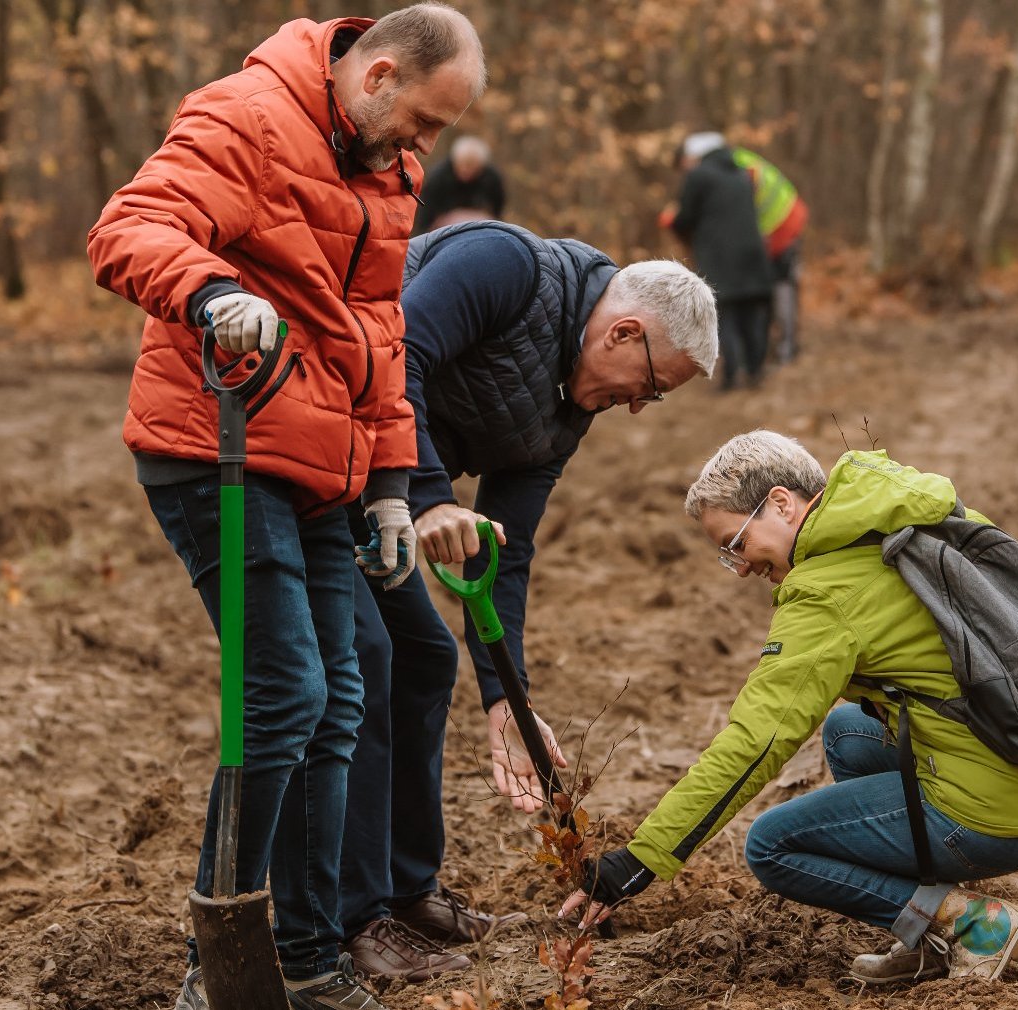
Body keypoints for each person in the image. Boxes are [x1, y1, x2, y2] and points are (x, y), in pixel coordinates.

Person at [86, 7, 485, 1009]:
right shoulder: (245, 116)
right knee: (284, 694)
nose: (424, 150)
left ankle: (306, 959)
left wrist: (391, 487)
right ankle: (216, 963)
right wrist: (211, 291)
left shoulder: (386, 167)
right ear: (379, 74)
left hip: (324, 467)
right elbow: (128, 227)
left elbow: (379, 329)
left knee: (339, 697)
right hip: (210, 445)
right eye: (422, 123)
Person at [561, 432, 1018, 986]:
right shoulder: (920, 516)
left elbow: (756, 744)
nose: (740, 566)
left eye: (735, 543)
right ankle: (928, 929)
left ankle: (971, 925)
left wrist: (643, 859)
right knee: (849, 731)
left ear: (780, 503)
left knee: (773, 844)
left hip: (1010, 817)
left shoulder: (825, 593)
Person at [339, 219, 718, 982]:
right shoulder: (506, 267)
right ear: (624, 332)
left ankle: (407, 892)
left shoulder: (565, 413)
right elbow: (393, 354)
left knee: (423, 656)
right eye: (651, 386)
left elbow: (505, 557)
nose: (640, 407)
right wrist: (430, 495)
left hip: (381, 484)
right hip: (315, 447)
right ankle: (354, 917)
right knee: (370, 661)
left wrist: (504, 700)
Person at [662, 132, 773, 391]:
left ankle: (731, 377)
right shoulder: (743, 173)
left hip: (719, 257)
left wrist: (671, 220)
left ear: (695, 156)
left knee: (725, 316)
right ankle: (755, 372)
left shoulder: (699, 176)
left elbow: (684, 218)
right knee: (751, 315)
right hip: (753, 254)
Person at [730, 147, 807, 363]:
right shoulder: (740, 159)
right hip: (781, 227)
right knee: (779, 291)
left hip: (780, 233)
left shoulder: (742, 170)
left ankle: (786, 348)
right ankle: (781, 346)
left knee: (782, 290)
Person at [413, 134, 505, 232]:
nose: (466, 170)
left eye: (471, 166)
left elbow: (497, 208)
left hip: (479, 224)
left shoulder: (491, 178)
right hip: (444, 227)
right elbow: (426, 212)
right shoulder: (439, 177)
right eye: (463, 165)